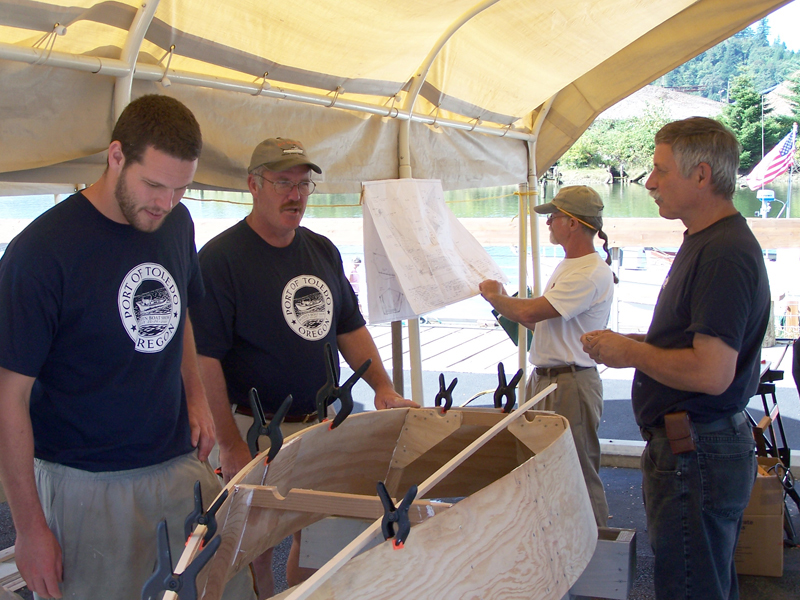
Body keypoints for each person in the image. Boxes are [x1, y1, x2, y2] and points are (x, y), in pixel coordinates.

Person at [0, 95, 254, 599]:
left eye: (181, 188)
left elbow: (180, 312)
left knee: (219, 586)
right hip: (86, 483)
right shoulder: (39, 254)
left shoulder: (177, 224)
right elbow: (8, 399)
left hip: (175, 463)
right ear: (116, 156)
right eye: (154, 185)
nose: (165, 202)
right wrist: (29, 530)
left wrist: (196, 398)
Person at [190, 137, 418, 598]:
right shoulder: (219, 260)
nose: (295, 195)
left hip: (322, 424)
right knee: (252, 544)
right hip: (253, 429)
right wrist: (229, 443)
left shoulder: (322, 250)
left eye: (303, 184)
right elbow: (204, 358)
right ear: (254, 185)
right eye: (283, 183)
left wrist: (384, 387)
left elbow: (349, 327)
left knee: (315, 533)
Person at [582, 117, 770, 600]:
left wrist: (631, 352)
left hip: (696, 451)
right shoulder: (707, 241)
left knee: (690, 586)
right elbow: (698, 340)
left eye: (661, 170)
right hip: (698, 448)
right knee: (703, 580)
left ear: (701, 175)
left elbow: (711, 371)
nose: (649, 182)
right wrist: (640, 341)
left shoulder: (723, 253)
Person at [478, 185, 616, 527]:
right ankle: (556, 540)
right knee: (539, 466)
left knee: (577, 470)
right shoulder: (571, 266)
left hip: (571, 382)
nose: (548, 223)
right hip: (548, 380)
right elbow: (537, 321)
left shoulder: (588, 272)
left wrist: (496, 297)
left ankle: (599, 545)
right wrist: (503, 302)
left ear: (573, 223)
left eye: (553, 217)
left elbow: (530, 313)